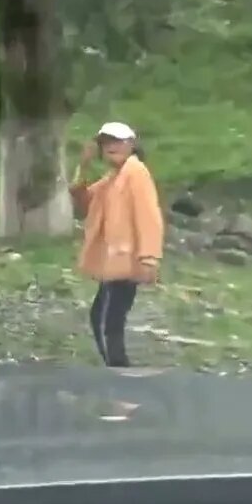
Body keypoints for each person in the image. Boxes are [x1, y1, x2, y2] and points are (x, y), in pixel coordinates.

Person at [69, 122, 164, 368]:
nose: (111, 147)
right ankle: (117, 370)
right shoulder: (113, 177)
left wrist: (149, 256)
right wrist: (83, 165)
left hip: (126, 261)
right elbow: (84, 200)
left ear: (131, 144)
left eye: (117, 141)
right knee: (105, 319)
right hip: (113, 263)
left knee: (107, 320)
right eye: (106, 142)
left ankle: (118, 373)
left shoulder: (135, 172)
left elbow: (149, 214)